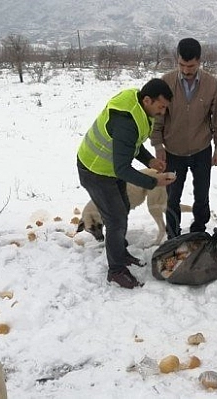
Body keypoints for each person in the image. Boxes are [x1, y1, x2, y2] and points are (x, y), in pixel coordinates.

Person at [77, 79, 176, 289]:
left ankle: (120, 253)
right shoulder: (126, 121)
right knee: (115, 220)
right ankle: (116, 270)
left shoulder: (139, 108)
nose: (163, 112)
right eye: (161, 107)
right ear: (147, 100)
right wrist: (154, 181)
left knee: (121, 211)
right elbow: (122, 168)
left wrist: (149, 160)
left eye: (165, 107)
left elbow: (133, 144)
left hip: (109, 168)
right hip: (95, 171)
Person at [150, 38, 217, 239]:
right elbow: (157, 118)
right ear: (177, 60)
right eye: (182, 65)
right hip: (173, 152)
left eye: (191, 66)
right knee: (172, 197)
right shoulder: (166, 82)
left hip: (201, 150)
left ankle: (199, 232)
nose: (186, 70)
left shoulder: (211, 84)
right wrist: (158, 145)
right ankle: (173, 236)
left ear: (199, 61)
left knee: (202, 196)